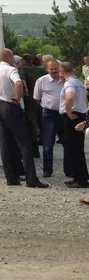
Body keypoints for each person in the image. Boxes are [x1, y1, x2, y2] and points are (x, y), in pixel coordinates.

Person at [0, 48, 48, 188]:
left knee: (5, 143)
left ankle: (11, 178)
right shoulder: (11, 70)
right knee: (24, 143)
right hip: (11, 106)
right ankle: (31, 178)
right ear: (9, 57)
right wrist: (18, 98)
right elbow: (18, 83)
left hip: (0, 106)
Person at [59, 61, 88, 189]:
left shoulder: (69, 83)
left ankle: (81, 179)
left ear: (62, 72)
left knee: (74, 148)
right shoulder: (79, 82)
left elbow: (70, 96)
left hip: (72, 117)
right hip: (80, 115)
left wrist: (68, 111)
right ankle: (79, 176)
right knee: (77, 148)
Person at [33, 58, 62, 178]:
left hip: (63, 114)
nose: (54, 71)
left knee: (67, 143)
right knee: (48, 144)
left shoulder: (64, 80)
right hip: (49, 114)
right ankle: (47, 170)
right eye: (51, 69)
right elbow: (37, 97)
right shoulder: (41, 81)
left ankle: (69, 170)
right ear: (47, 69)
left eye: (56, 68)